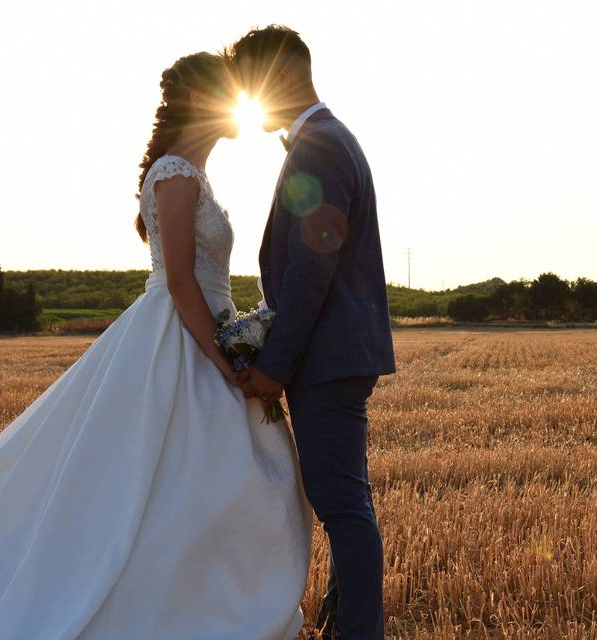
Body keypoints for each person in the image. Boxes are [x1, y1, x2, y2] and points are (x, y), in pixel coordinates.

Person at [0, 51, 312, 639]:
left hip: (209, 323)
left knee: (228, 477)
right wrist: (226, 358)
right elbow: (178, 281)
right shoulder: (175, 173)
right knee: (166, 480)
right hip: (181, 335)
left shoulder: (194, 173)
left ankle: (212, 600)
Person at [230, 26, 397, 640]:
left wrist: (274, 364)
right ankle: (346, 624)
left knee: (342, 506)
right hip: (337, 355)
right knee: (346, 500)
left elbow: (310, 271)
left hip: (327, 358)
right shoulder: (326, 140)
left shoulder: (320, 147)